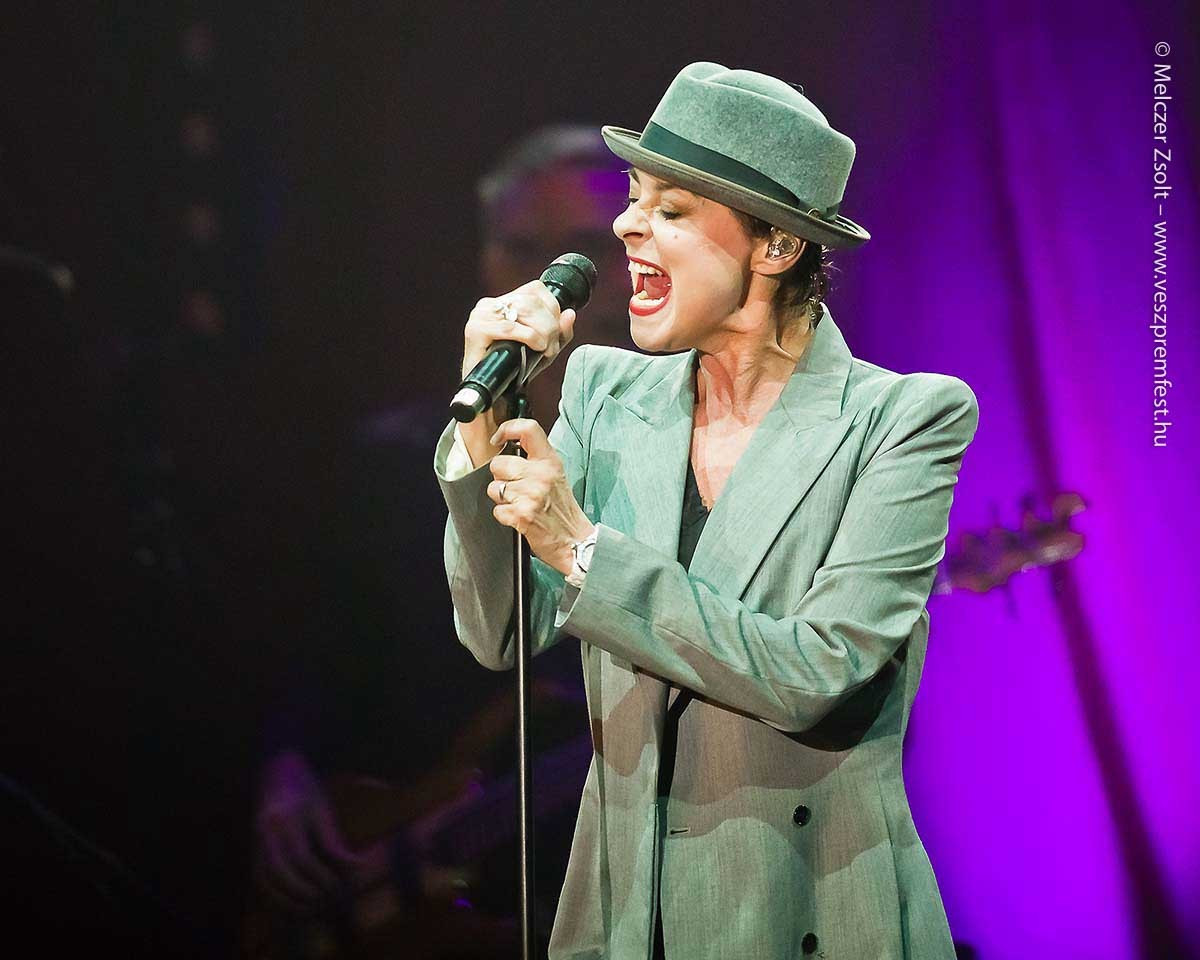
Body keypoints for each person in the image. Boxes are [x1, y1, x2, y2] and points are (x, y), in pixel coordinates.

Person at [434, 62, 980, 959]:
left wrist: (584, 549)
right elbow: (502, 632)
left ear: (777, 247)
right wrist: (482, 420)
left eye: (672, 209)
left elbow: (817, 670)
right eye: (634, 198)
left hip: (805, 910)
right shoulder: (605, 394)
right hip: (622, 920)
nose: (625, 225)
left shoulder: (901, 419)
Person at [250, 125, 631, 954]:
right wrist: (287, 771)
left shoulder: (694, 458)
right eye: (521, 250)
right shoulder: (397, 458)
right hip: (417, 881)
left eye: (583, 252)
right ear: (485, 264)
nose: (547, 281)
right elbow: (322, 645)